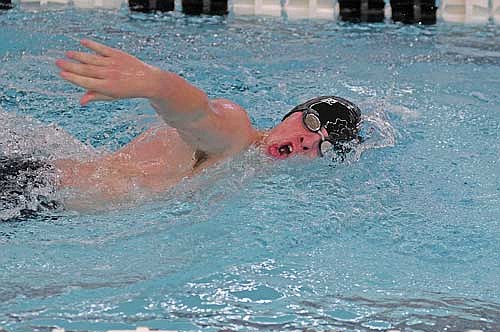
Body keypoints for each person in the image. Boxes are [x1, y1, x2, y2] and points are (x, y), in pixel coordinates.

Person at [2, 39, 362, 210]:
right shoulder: (236, 134)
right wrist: (155, 83)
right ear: (292, 113)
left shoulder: (246, 169)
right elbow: (197, 113)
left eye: (322, 146)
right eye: (311, 123)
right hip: (33, 191)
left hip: (45, 197)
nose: (305, 142)